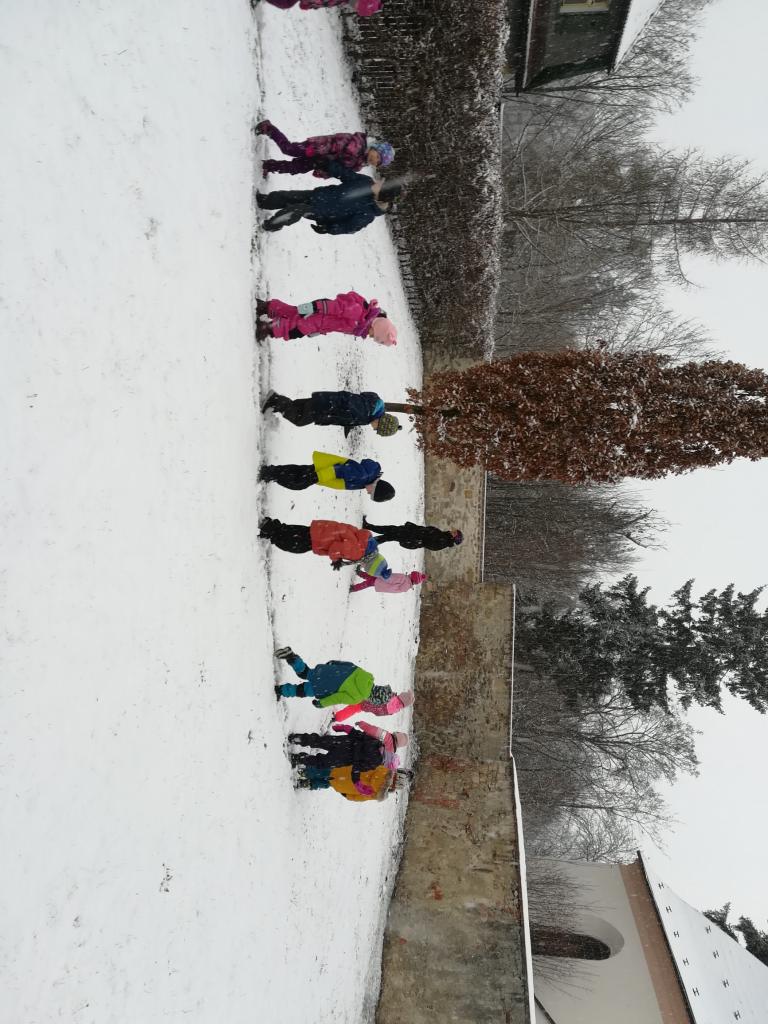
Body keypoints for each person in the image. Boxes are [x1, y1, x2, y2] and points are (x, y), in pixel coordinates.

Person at [256, 163, 402, 234]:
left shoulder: (368, 213)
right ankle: (264, 201)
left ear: (383, 194)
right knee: (287, 196)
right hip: (318, 195)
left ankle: (271, 225)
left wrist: (329, 228)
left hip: (320, 212)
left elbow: (350, 227)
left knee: (296, 210)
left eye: (381, 184)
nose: (378, 181)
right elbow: (346, 174)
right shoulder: (365, 182)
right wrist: (330, 166)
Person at [255, 120, 394, 179]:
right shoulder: (356, 142)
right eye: (378, 156)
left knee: (296, 168)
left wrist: (325, 173)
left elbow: (340, 171)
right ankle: (269, 128)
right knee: (289, 149)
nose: (375, 161)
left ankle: (269, 166)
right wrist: (316, 150)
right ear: (375, 148)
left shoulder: (359, 164)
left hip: (319, 161)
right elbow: (333, 142)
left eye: (378, 163)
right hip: (316, 149)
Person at [255, 293, 397, 346]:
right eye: (375, 336)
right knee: (295, 328)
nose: (371, 337)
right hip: (319, 314)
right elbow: (335, 307)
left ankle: (267, 307)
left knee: (293, 313)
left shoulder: (360, 327)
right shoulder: (358, 313)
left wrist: (320, 331)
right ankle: (267, 329)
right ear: (376, 326)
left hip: (319, 324)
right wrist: (314, 307)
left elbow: (335, 326)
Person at [288, 721, 409, 778]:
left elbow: (369, 732)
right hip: (344, 758)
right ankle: (301, 758)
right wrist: (356, 778)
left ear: (396, 735)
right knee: (322, 762)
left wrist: (352, 728)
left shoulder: (382, 740)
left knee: (321, 741)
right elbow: (361, 767)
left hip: (346, 743)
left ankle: (299, 739)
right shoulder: (380, 760)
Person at [261, 390, 402, 438]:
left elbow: (351, 414)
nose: (374, 429)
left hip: (325, 405)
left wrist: (348, 424)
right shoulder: (366, 411)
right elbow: (345, 401)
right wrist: (325, 407)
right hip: (325, 406)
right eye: (377, 429)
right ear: (381, 422)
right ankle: (274, 400)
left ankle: (275, 402)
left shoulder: (370, 413)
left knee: (297, 407)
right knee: (299, 419)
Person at [260, 451, 395, 501]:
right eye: (371, 493)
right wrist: (317, 477)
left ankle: (273, 472)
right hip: (324, 472)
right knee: (298, 482)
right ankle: (271, 473)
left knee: (298, 474)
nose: (368, 493)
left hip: (323, 474)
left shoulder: (365, 480)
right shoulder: (362, 476)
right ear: (375, 487)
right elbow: (338, 470)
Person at [259, 516, 382, 570]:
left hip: (322, 529)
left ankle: (274, 527)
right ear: (368, 561)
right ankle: (269, 530)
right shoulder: (358, 552)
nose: (362, 566)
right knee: (292, 545)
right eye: (365, 566)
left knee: (295, 531)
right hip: (319, 541)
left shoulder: (363, 539)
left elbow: (343, 533)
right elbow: (335, 548)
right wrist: (336, 559)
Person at [273, 646, 378, 705]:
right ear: (372, 699)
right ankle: (280, 690)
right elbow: (338, 698)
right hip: (325, 687)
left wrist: (334, 663)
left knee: (306, 673)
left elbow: (349, 665)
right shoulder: (357, 697)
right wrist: (322, 704)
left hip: (328, 672)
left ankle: (292, 658)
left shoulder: (365, 675)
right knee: (301, 690)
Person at [296, 765, 413, 801]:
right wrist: (348, 796)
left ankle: (306, 772)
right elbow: (361, 798)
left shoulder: (382, 770)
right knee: (330, 784)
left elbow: (365, 764)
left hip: (348, 773)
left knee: (327, 772)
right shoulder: (379, 793)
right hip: (346, 787)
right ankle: (309, 784)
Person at [362, 517, 464, 551]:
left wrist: (415, 539)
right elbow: (426, 530)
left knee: (389, 535)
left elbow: (428, 543)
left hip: (410, 537)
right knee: (389, 530)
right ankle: (368, 528)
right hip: (411, 532)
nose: (452, 530)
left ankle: (367, 544)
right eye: (454, 530)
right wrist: (413, 527)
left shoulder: (443, 541)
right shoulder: (443, 536)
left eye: (454, 533)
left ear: (454, 538)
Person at [332, 686, 414, 723]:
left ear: (403, 697)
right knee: (353, 708)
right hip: (368, 707)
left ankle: (338, 716)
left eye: (405, 693)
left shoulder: (391, 698)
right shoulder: (396, 709)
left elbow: (378, 694)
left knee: (352, 704)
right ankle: (338, 715)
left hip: (367, 701)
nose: (403, 692)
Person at [350, 568, 427, 595]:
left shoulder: (403, 578)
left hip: (382, 580)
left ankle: (354, 588)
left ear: (412, 577)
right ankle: (360, 573)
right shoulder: (406, 587)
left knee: (367, 582)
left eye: (411, 574)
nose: (410, 574)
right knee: (370, 578)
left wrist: (383, 575)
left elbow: (391, 578)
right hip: (383, 585)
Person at [259, 0, 382, 13]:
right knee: (285, 3)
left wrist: (309, 4)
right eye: (357, 5)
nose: (354, 8)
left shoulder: (343, 1)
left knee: (285, 3)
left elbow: (324, 3)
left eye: (357, 9)